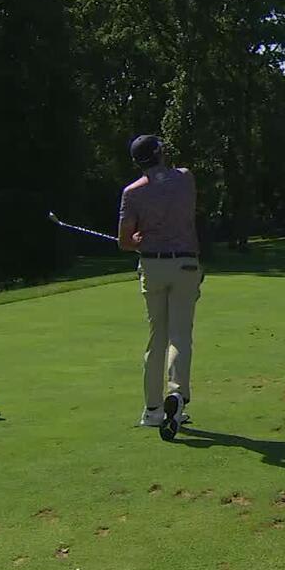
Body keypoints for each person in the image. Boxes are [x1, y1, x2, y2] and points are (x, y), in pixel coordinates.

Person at [118, 134, 203, 439]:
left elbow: (125, 241)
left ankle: (153, 409)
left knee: (157, 338)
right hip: (186, 264)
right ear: (161, 153)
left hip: (152, 267)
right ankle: (177, 395)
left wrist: (137, 240)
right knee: (180, 336)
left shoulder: (132, 193)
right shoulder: (185, 178)